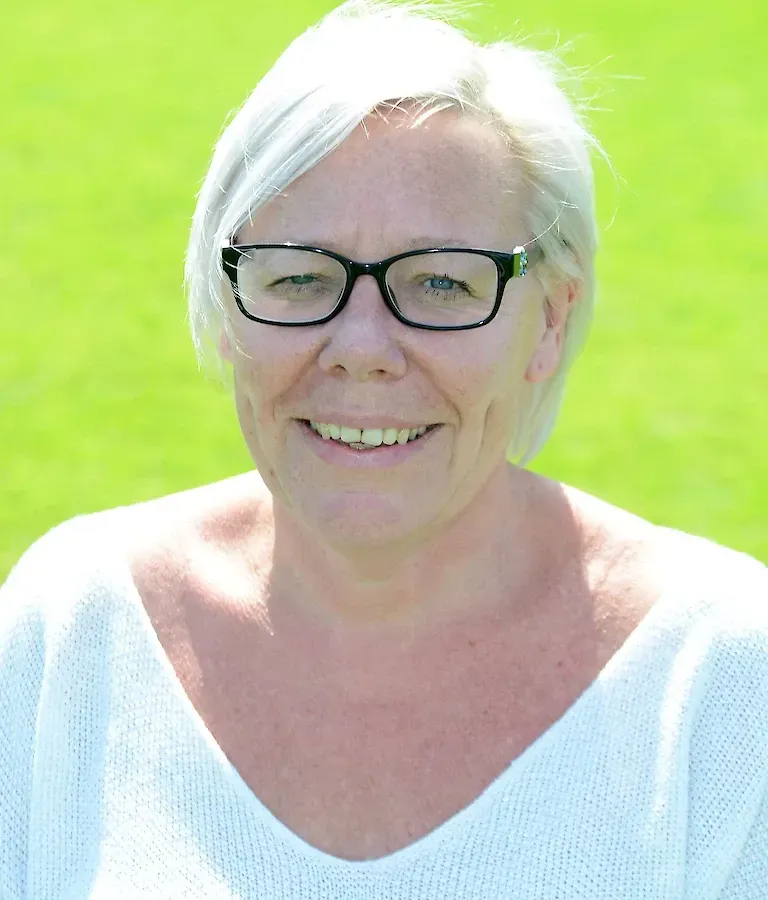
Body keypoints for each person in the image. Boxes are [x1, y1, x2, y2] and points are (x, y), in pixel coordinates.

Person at [1, 0, 766, 896]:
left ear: (551, 321)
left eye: (441, 282)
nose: (361, 348)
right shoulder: (74, 630)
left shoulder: (723, 682)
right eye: (299, 276)